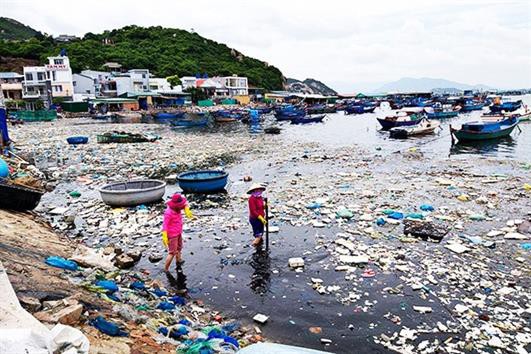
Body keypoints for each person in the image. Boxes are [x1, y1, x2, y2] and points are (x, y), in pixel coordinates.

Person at [162, 193, 193, 272]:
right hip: (172, 235)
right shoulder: (168, 213)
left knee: (179, 247)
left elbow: (185, 204)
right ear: (176, 205)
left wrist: (187, 210)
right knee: (172, 252)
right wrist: (164, 235)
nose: (181, 206)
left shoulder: (177, 208)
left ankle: (178, 260)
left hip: (178, 232)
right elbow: (165, 225)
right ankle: (166, 269)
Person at [247, 183, 267, 247]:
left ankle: (260, 246)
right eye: (257, 190)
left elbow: (260, 207)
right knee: (257, 235)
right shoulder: (251, 199)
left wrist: (265, 206)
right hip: (255, 219)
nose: (259, 191)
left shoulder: (260, 197)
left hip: (261, 218)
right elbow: (253, 211)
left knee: (261, 233)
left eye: (260, 190)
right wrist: (260, 218)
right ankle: (253, 246)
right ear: (253, 191)